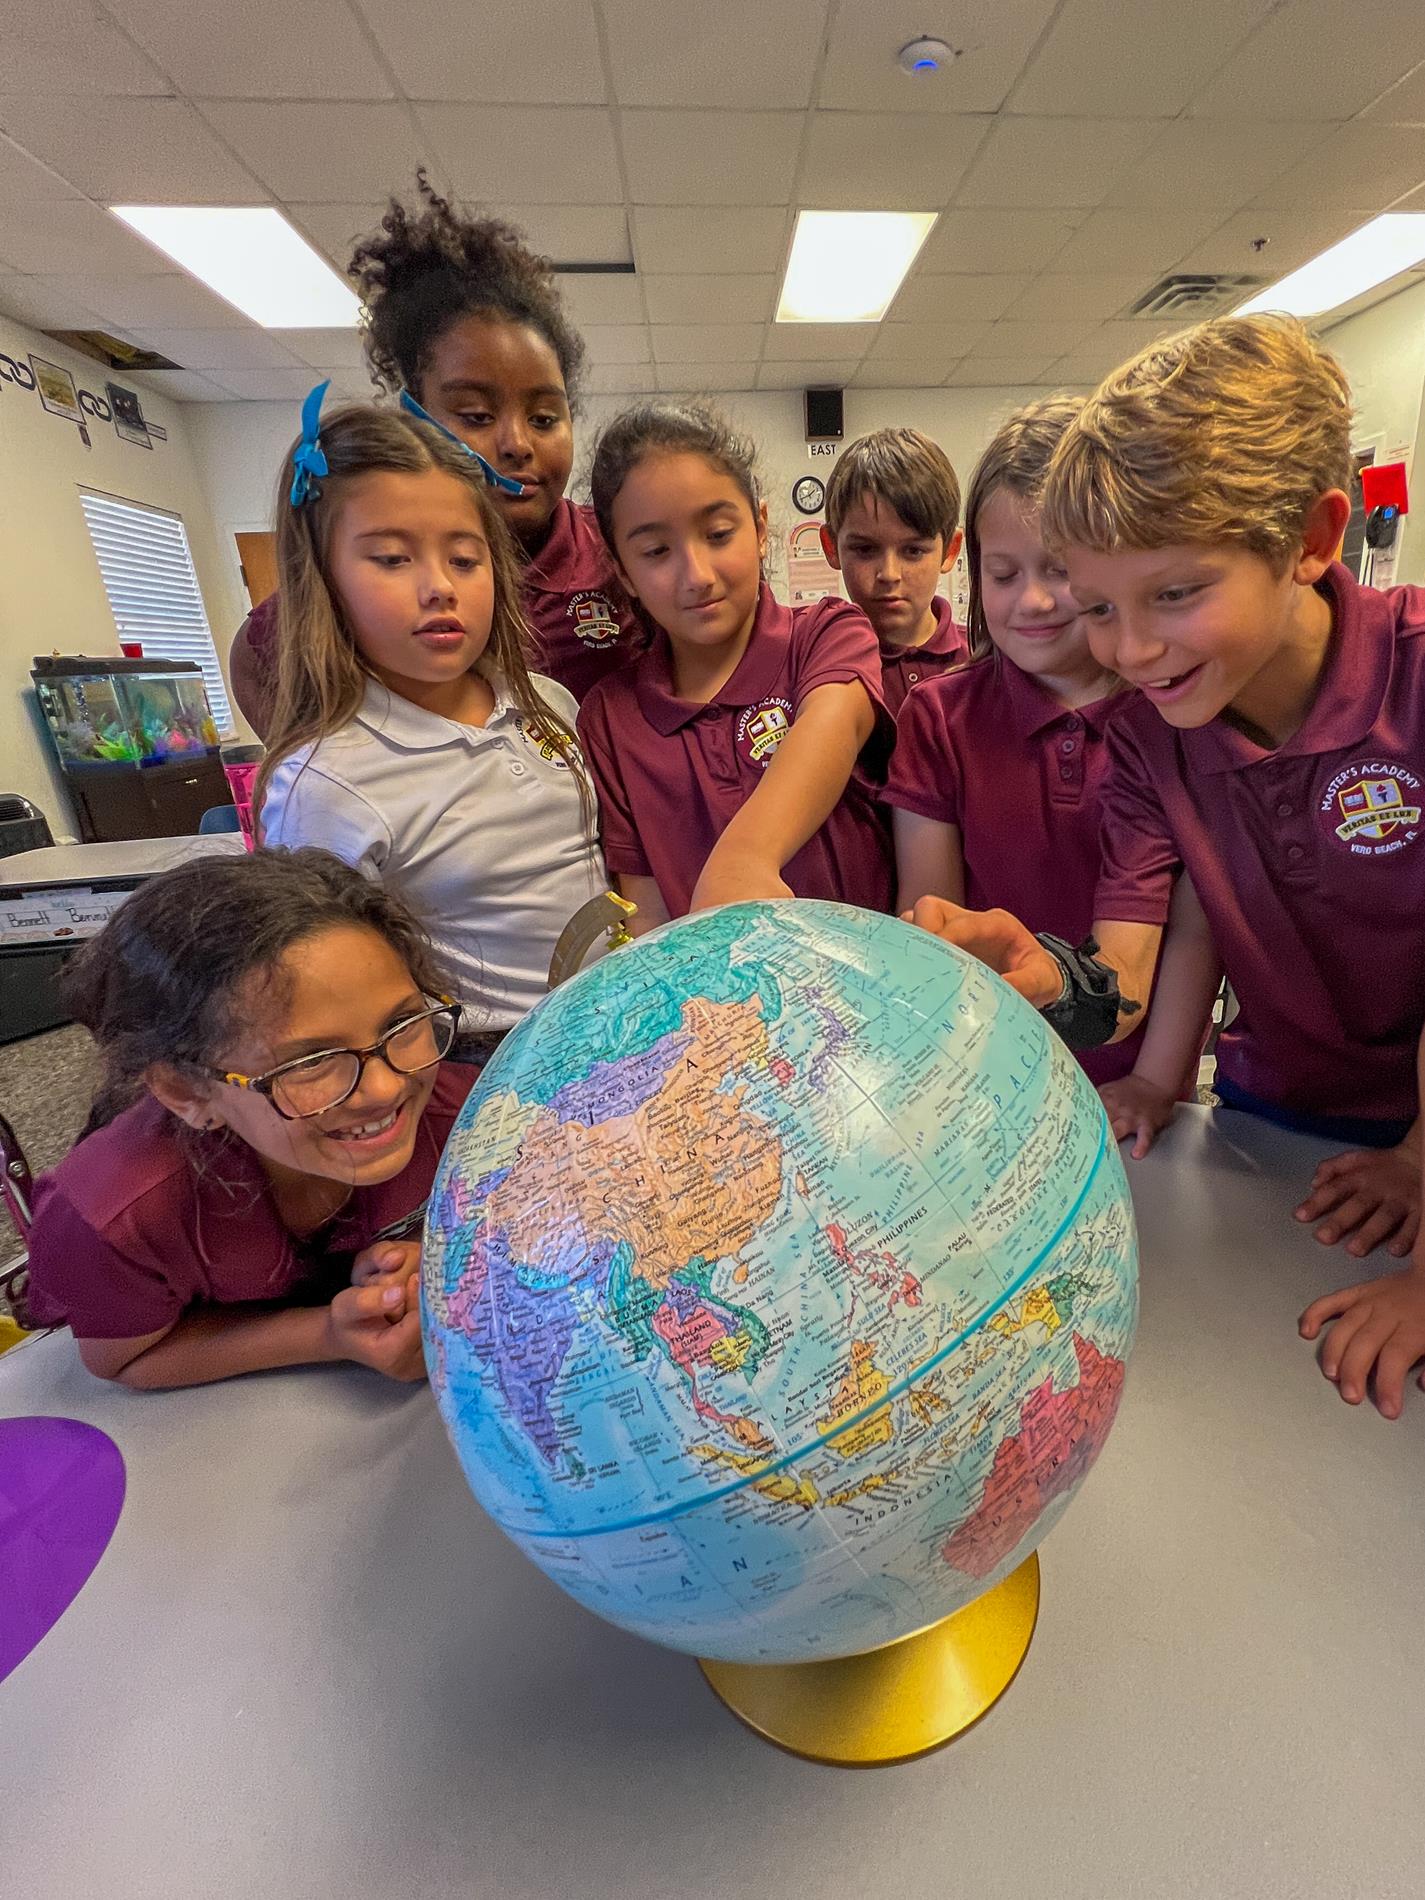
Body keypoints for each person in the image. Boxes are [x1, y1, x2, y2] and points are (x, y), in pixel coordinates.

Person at [907, 315, 1425, 1339]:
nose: (1134, 649)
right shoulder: (1156, 734)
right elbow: (1130, 970)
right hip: (1277, 1115)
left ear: (1314, 541)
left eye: (1176, 593)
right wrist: (1051, 975)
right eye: (1101, 605)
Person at [25, 849, 474, 1391]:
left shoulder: (473, 1120)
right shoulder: (112, 1219)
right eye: (310, 1063)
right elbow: (122, 1360)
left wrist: (437, 1255)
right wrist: (329, 1334)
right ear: (186, 1090)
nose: (386, 1086)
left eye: (402, 1022)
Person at [887, 397, 1216, 1100]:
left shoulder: (1178, 709)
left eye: (1059, 571)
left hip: (1139, 1084)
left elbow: (1195, 929)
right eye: (1003, 574)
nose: (1031, 601)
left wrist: (1159, 1084)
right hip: (989, 1073)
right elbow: (931, 917)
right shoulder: (939, 716)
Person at [228, 174, 640, 733]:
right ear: (413, 413)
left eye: (544, 419)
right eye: (475, 416)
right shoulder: (345, 587)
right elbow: (257, 657)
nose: (518, 445)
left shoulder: (619, 555)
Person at [258, 397, 604, 1041]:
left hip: (610, 1015)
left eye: (464, 559)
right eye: (392, 559)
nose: (440, 586)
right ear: (324, 579)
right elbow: (327, 986)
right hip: (481, 1059)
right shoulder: (326, 783)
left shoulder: (549, 703)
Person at [576, 401, 894, 927]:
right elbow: (645, 910)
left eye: (719, 534)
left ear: (761, 527)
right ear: (624, 572)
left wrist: (743, 859)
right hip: (717, 1005)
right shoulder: (610, 718)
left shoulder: (825, 634)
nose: (696, 574)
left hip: (863, 989)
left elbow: (835, 722)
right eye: (656, 551)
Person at [819, 426, 967, 715]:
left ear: (950, 550)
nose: (889, 574)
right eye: (865, 550)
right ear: (831, 546)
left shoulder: (987, 660)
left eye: (913, 551)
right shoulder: (818, 666)